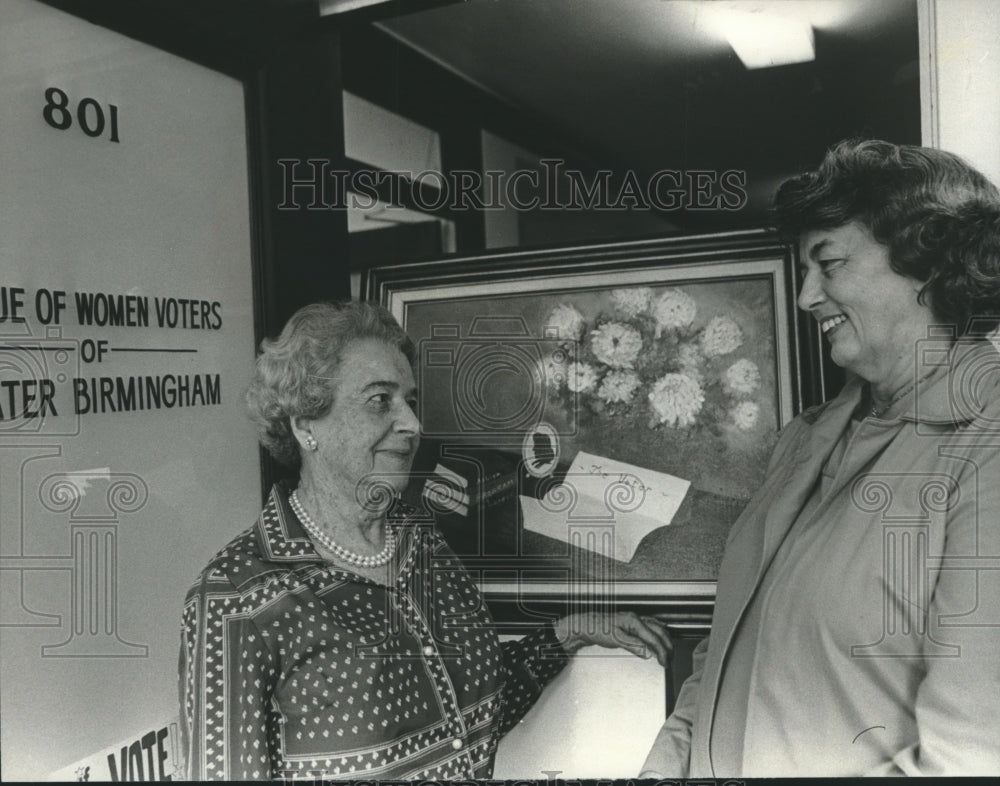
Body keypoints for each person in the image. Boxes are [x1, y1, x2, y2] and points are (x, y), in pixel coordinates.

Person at [179, 300, 671, 780]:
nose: (413, 424)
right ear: (306, 424)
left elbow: (474, 716)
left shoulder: (419, 540)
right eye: (380, 401)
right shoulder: (237, 596)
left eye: (410, 402)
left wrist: (569, 633)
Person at [640, 139, 1000, 777]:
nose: (806, 297)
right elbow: (720, 661)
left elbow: (971, 755)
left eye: (827, 263)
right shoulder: (804, 439)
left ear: (929, 262)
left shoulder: (987, 442)